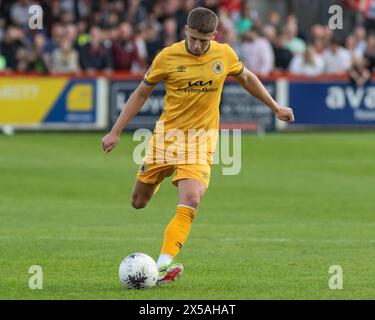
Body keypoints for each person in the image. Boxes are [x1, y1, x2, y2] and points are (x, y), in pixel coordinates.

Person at [101, 7, 294, 286]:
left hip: (200, 142)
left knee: (191, 199)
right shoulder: (167, 57)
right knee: (138, 202)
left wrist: (275, 107)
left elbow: (247, 78)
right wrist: (115, 131)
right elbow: (142, 92)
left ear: (214, 36)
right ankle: (159, 178)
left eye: (205, 41)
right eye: (194, 39)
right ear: (186, 32)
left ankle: (163, 265)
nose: (199, 46)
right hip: (165, 140)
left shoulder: (224, 54)